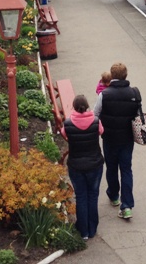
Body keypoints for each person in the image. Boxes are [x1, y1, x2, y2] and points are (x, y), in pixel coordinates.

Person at [93, 62, 141, 220]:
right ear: (126, 75)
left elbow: (95, 115)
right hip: (127, 139)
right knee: (126, 170)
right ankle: (126, 206)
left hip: (109, 138)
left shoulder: (104, 94)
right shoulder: (134, 93)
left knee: (111, 167)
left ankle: (114, 195)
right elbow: (138, 114)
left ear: (112, 76)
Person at [60, 94, 104, 240]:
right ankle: (92, 229)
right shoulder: (96, 121)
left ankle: (83, 231)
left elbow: (64, 134)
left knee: (81, 196)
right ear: (87, 106)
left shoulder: (68, 124)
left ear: (74, 107)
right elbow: (101, 131)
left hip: (76, 165)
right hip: (95, 164)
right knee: (93, 195)